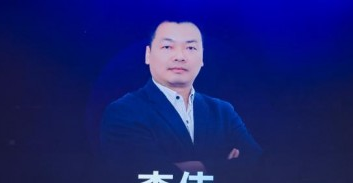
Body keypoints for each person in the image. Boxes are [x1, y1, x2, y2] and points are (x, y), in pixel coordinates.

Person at [100, 21, 262, 175]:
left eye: (190, 48)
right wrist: (225, 166)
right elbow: (146, 174)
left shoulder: (223, 111)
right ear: (148, 55)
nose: (179, 57)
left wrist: (189, 167)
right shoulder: (123, 111)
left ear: (202, 57)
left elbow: (258, 164)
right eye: (167, 47)